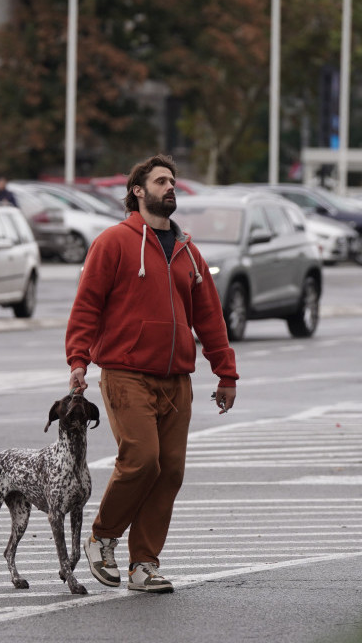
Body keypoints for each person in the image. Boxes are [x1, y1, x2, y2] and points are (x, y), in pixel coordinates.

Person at [66, 154, 238, 594]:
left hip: (177, 379)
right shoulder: (113, 243)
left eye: (173, 181)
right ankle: (103, 537)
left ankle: (144, 565)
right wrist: (79, 361)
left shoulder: (188, 251)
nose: (171, 187)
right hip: (126, 372)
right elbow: (87, 306)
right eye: (161, 181)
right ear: (138, 191)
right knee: (142, 459)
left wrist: (226, 374)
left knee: (170, 471)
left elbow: (211, 318)